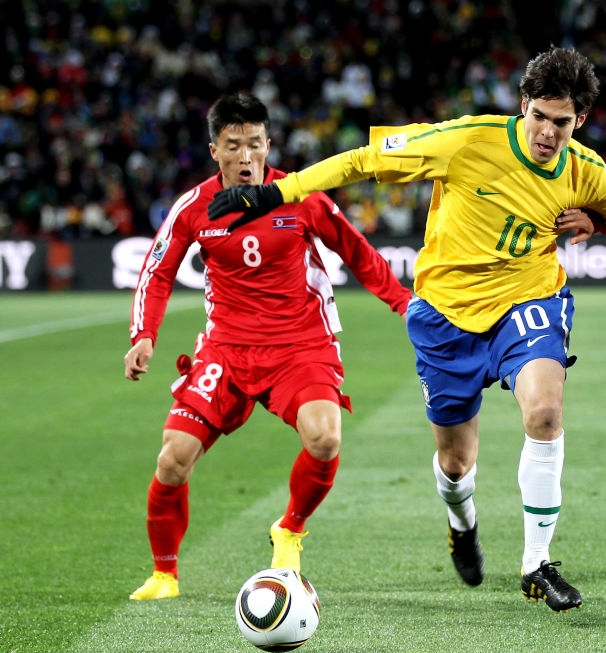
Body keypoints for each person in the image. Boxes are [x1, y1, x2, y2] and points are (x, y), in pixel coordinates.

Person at [208, 47, 606, 613]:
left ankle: (537, 563)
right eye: (539, 117)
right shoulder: (466, 139)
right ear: (522, 105)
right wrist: (275, 192)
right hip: (445, 314)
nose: (547, 133)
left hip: (528, 301)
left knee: (545, 413)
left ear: (578, 121)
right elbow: (361, 161)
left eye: (562, 122)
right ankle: (462, 523)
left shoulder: (588, 172)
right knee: (456, 464)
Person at [124, 93, 411, 600]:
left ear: (269, 145)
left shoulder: (300, 195)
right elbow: (157, 269)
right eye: (233, 146)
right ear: (214, 150)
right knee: (173, 459)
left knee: (325, 437)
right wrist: (143, 334)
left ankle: (290, 529)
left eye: (255, 144)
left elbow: (355, 249)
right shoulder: (194, 208)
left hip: (300, 345)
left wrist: (404, 303)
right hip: (226, 351)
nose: (245, 157)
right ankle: (164, 574)